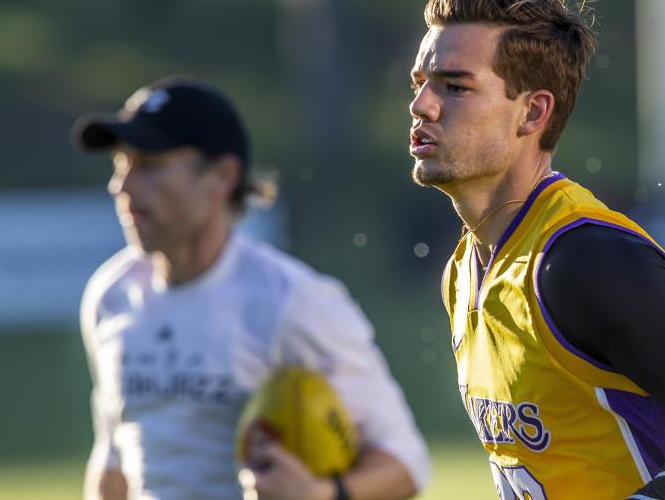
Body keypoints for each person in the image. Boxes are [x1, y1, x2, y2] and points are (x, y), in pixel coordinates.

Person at [407, 0, 665, 499]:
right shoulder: (462, 271)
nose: (423, 105)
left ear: (533, 112)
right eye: (421, 83)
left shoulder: (583, 259)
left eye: (455, 86)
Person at [73, 76, 430, 500]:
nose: (123, 187)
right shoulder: (110, 296)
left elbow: (406, 464)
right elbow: (114, 459)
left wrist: (321, 494)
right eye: (120, 165)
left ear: (222, 176)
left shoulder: (293, 302)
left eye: (149, 166)